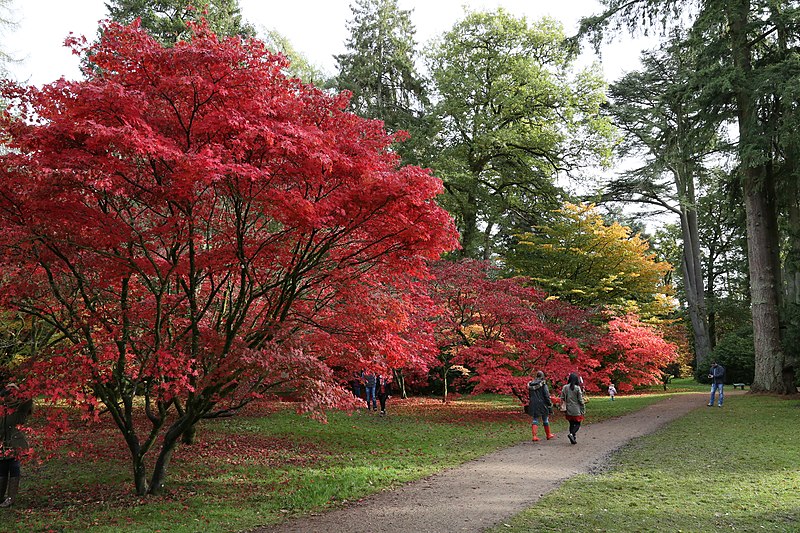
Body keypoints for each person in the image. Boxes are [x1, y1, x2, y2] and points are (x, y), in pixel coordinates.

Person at [0, 381, 34, 508]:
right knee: (2, 468)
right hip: (2, 443)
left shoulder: (20, 408)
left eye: (12, 392)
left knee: (13, 467)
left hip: (15, 442)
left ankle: (11, 498)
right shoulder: (2, 408)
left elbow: (28, 400)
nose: (10, 394)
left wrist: (18, 392)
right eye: (8, 391)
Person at [527, 371, 555, 441]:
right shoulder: (543, 384)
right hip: (542, 403)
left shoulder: (530, 384)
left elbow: (530, 395)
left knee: (535, 418)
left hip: (533, 403)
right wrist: (549, 403)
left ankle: (534, 436)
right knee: (545, 419)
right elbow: (546, 395)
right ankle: (548, 434)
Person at [560, 372, 586, 445]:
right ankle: (572, 434)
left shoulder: (565, 387)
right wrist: (583, 408)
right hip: (576, 408)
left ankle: (573, 438)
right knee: (578, 423)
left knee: (571, 423)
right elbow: (580, 400)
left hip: (568, 409)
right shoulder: (577, 388)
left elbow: (562, 398)